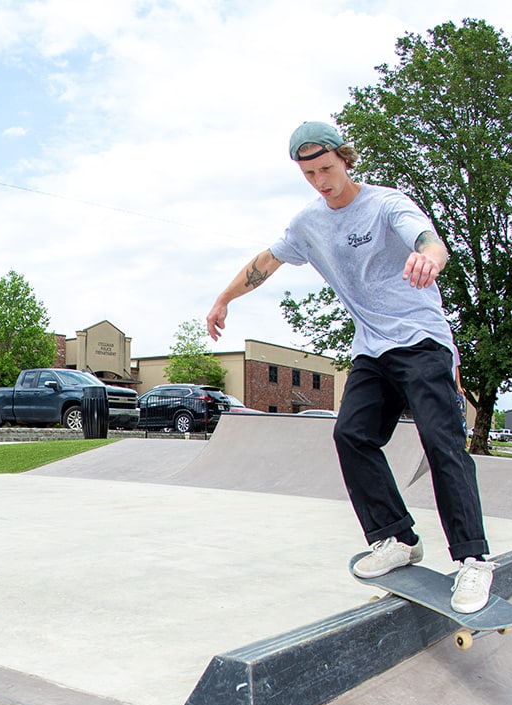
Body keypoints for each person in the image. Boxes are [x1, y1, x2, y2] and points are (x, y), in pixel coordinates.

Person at [206, 120, 495, 613]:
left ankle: (473, 560)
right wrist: (223, 299)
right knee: (352, 435)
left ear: (345, 158)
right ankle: (397, 539)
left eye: (326, 168)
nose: (321, 181)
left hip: (423, 341)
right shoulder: (307, 224)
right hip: (372, 349)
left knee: (441, 441)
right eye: (309, 173)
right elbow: (264, 262)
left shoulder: (386, 204)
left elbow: (428, 240)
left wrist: (431, 255)